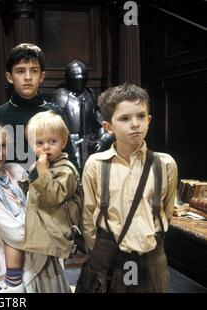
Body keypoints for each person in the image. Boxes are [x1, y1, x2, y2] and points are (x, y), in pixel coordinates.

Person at [76, 83, 178, 293]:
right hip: (108, 253)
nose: (135, 124)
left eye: (141, 116)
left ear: (149, 120)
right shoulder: (96, 165)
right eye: (124, 118)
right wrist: (101, 248)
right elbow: (87, 214)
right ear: (108, 127)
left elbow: (166, 210)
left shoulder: (165, 164)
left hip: (151, 254)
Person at [0, 117, 70, 293]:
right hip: (11, 260)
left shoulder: (15, 170)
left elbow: (42, 197)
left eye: (3, 146)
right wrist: (47, 224)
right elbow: (16, 234)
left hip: (42, 252)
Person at [0, 43, 77, 169]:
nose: (28, 77)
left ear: (41, 76)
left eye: (34, 71)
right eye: (20, 71)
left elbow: (70, 162)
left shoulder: (55, 114)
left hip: (50, 185)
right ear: (9, 77)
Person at [23, 110, 82, 272]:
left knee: (53, 279)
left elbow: (53, 197)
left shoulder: (66, 170)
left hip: (55, 235)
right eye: (39, 143)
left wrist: (42, 173)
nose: (46, 147)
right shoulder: (37, 166)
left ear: (63, 142)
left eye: (52, 141)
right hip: (39, 233)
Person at [53, 59, 114, 172]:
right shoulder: (60, 95)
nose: (80, 81)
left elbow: (98, 119)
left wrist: (102, 140)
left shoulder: (89, 94)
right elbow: (55, 123)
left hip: (89, 141)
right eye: (76, 79)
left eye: (82, 78)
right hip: (68, 142)